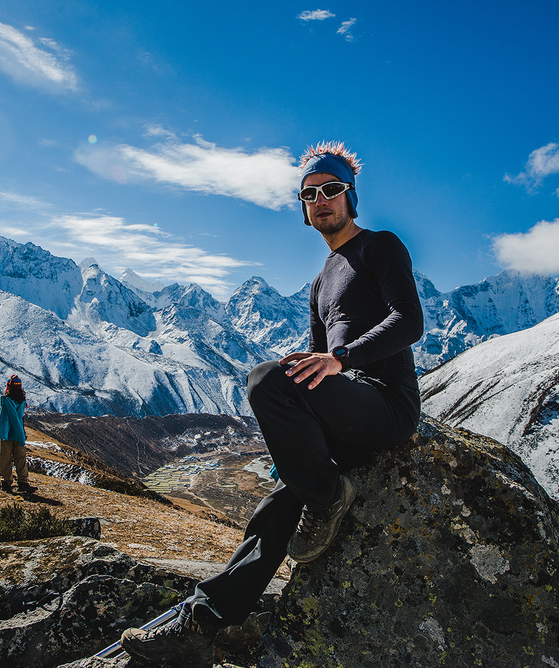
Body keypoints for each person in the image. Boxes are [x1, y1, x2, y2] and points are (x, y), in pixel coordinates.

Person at [120, 142, 424, 667]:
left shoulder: (381, 247)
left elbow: (409, 321)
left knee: (264, 379)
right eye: (310, 194)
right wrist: (315, 373)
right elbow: (314, 361)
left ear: (351, 198)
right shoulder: (320, 281)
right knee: (275, 509)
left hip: (385, 405)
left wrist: (341, 359)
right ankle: (202, 624)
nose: (321, 200)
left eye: (331, 190)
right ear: (303, 208)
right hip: (346, 412)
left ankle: (330, 496)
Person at [0, 375, 36, 494]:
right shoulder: (21, 400)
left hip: (7, 434)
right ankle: (23, 482)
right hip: (18, 433)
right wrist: (21, 435)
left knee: (5, 459)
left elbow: (13, 418)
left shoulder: (8, 400)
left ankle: (7, 482)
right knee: (20, 458)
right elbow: (18, 418)